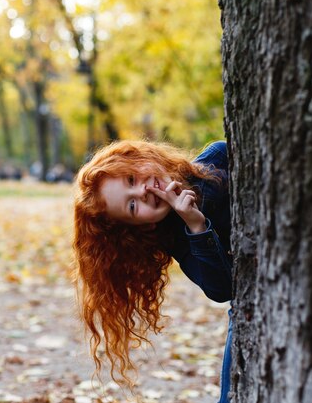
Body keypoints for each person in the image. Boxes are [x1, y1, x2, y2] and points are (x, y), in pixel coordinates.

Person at [73, 139, 232, 403]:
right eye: (133, 206)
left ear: (143, 157)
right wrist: (196, 225)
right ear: (143, 227)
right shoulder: (179, 238)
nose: (142, 193)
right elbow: (222, 290)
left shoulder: (217, 158)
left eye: (132, 178)